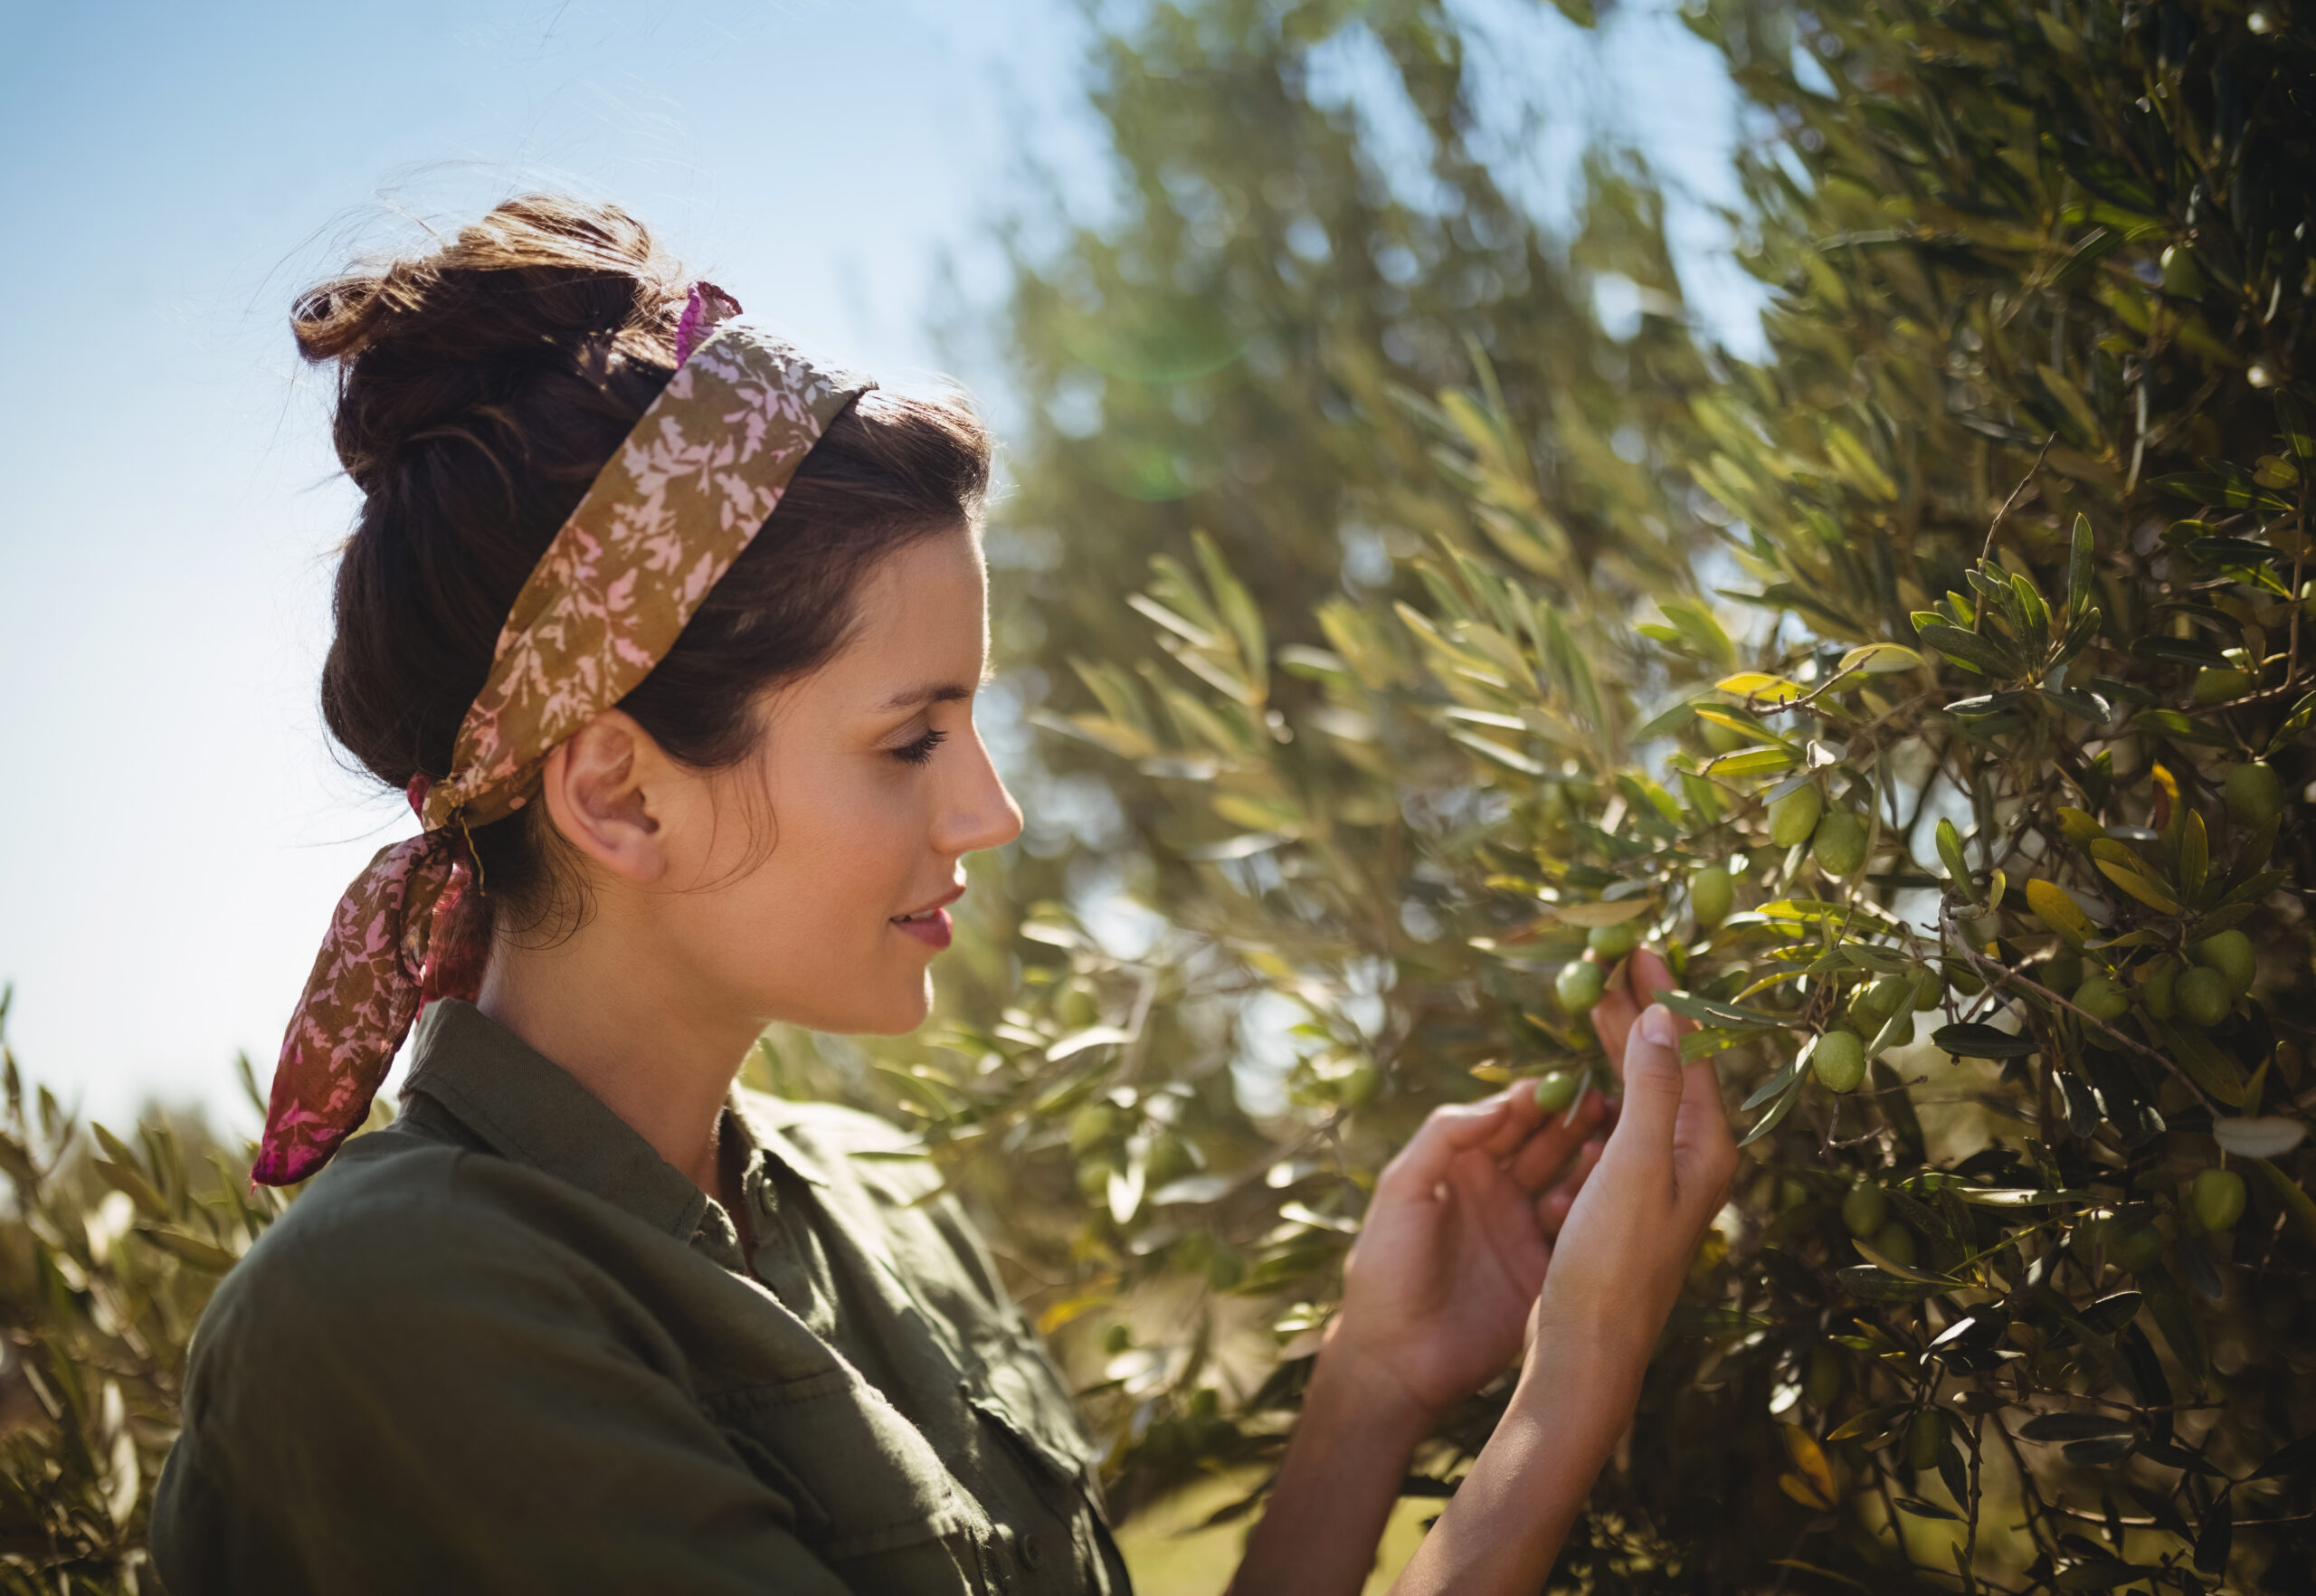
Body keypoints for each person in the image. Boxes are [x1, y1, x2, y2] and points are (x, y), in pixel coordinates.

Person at [150, 196, 1736, 1596]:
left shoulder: (876, 1200)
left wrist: (1372, 1389)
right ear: (620, 792)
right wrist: (1569, 1390)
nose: (991, 811)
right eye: (912, 739)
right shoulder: (401, 1318)